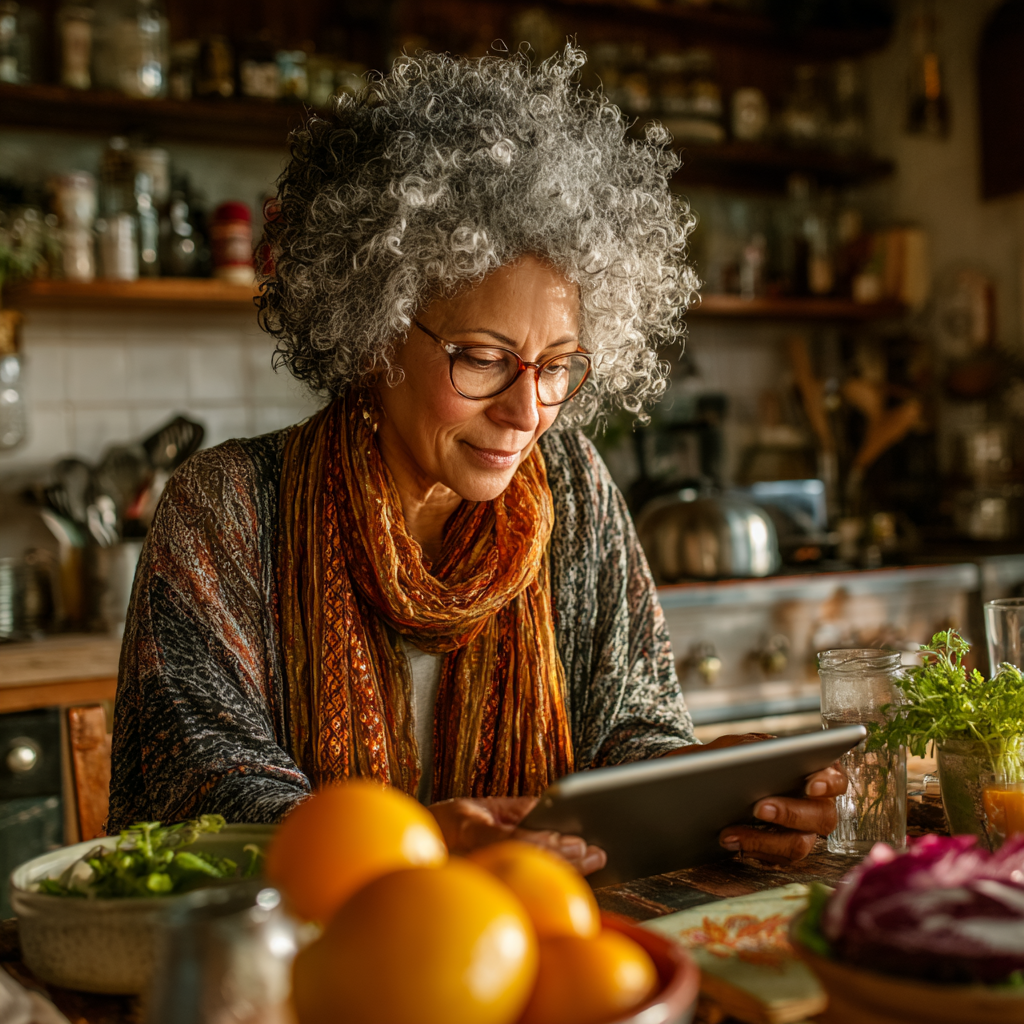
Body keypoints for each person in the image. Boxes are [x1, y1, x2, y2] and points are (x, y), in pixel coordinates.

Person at [109, 46, 843, 873]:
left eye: (558, 364)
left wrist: (702, 783)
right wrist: (421, 851)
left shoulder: (572, 487)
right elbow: (203, 794)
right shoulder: (227, 507)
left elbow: (626, 727)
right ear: (375, 334)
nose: (528, 410)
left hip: (549, 952)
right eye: (486, 357)